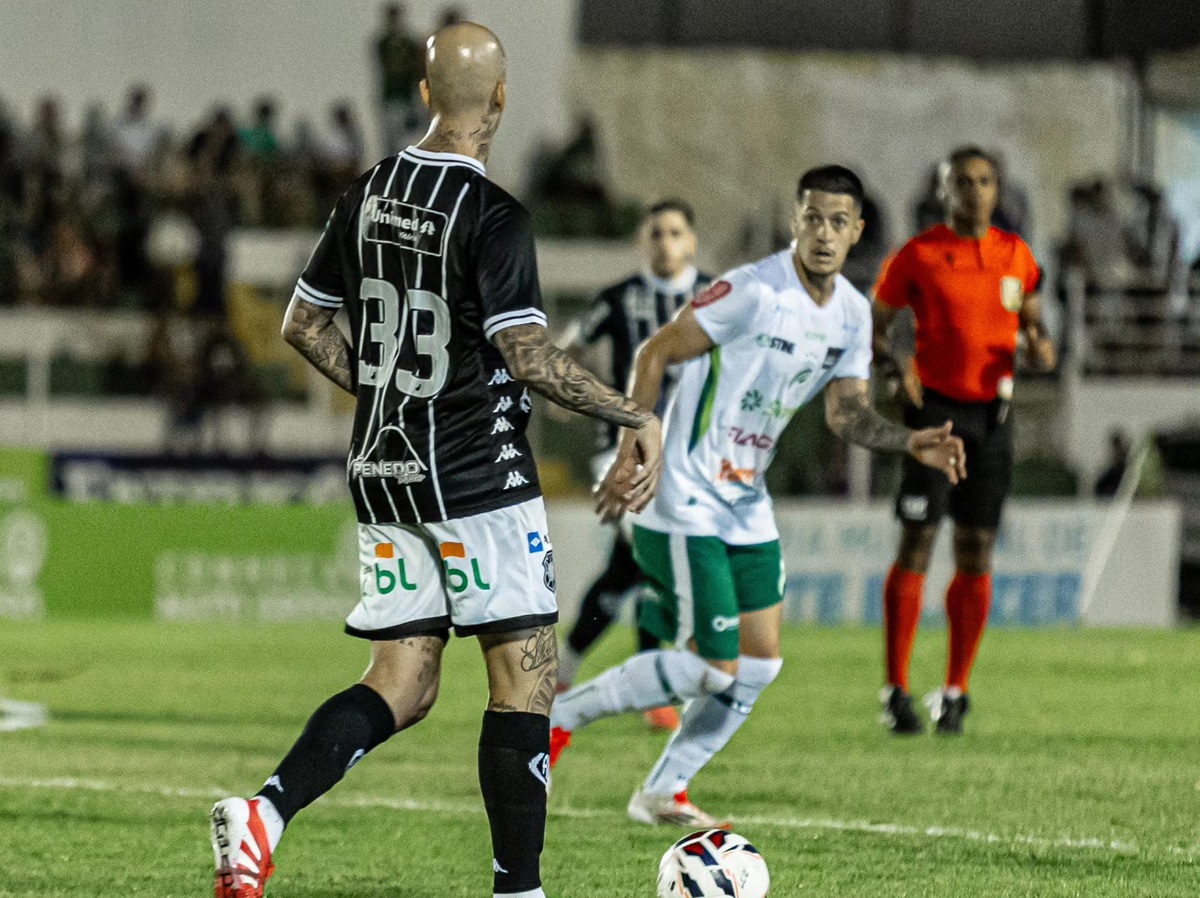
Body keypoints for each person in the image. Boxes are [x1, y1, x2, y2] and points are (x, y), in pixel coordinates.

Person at [208, 22, 663, 898]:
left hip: (384, 474)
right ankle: (519, 890)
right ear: (499, 98)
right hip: (477, 474)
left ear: (423, 95)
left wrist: (385, 395)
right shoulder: (494, 216)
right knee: (525, 681)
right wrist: (631, 410)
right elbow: (528, 356)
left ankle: (263, 815)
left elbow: (302, 323)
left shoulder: (369, 191)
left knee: (404, 680)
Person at [549, 165, 966, 827]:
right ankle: (557, 717)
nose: (823, 233)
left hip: (744, 501)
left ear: (857, 232)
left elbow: (846, 415)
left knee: (759, 664)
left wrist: (908, 442)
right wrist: (635, 438)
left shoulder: (854, 316)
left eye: (838, 222)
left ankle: (662, 790)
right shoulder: (752, 290)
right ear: (794, 222)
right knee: (714, 666)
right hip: (680, 492)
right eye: (812, 218)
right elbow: (656, 351)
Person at [872, 146, 1057, 736]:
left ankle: (956, 690)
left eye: (984, 181)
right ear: (943, 191)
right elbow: (871, 326)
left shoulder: (1016, 256)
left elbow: (1030, 318)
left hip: (993, 422)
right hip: (935, 417)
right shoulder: (918, 256)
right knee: (918, 545)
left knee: (976, 552)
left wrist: (1039, 343)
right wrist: (895, 360)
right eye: (962, 182)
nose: (974, 191)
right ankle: (896, 688)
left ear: (998, 190)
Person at [555, 199, 713, 731]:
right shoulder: (621, 298)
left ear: (691, 241)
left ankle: (563, 668)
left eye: (675, 232)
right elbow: (568, 346)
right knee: (655, 556)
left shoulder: (717, 296)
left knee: (625, 572)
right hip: (620, 450)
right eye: (656, 233)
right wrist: (562, 390)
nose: (665, 243)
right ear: (643, 242)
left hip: (690, 459)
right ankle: (655, 690)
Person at [374, 2, 426, 155]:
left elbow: (416, 68)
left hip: (408, 97)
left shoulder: (410, 42)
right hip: (391, 96)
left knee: (409, 138)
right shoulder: (382, 42)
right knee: (390, 139)